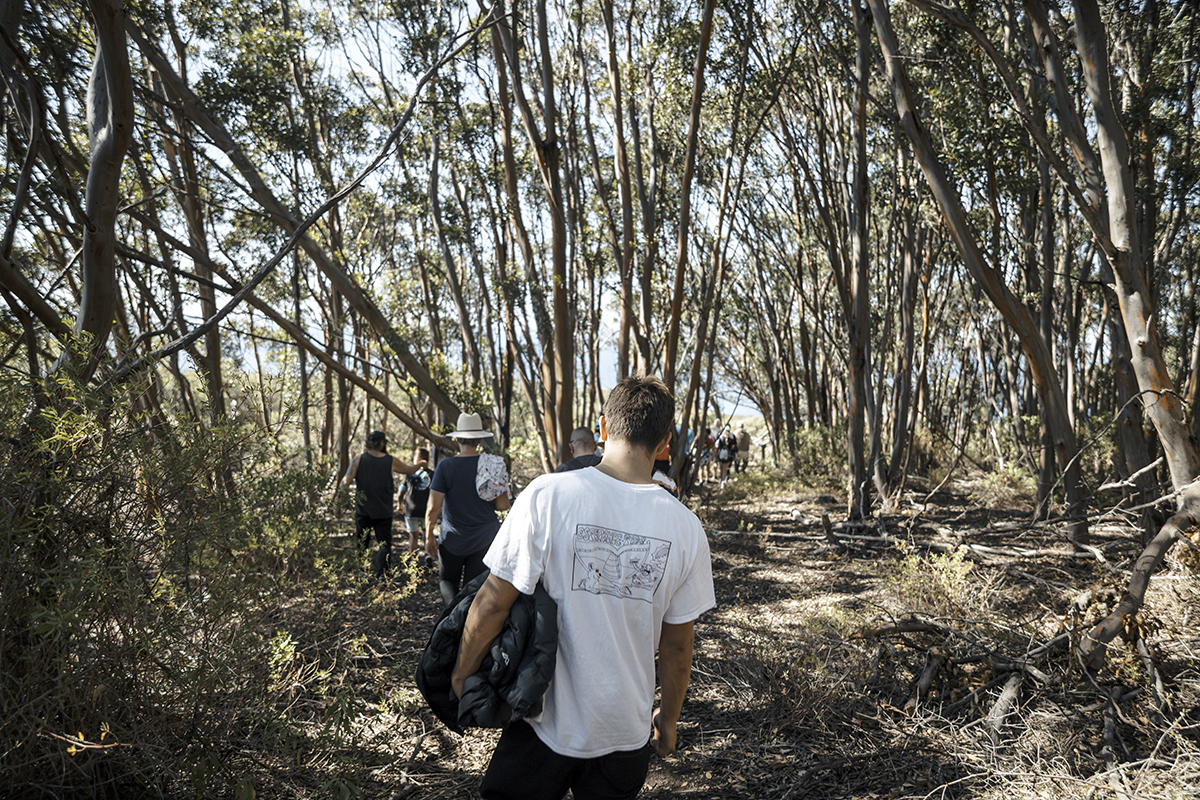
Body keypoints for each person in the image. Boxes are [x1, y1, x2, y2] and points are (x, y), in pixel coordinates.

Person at [452, 375, 716, 800]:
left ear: (603, 428)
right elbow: (678, 647)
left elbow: (491, 604)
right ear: (666, 443)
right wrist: (668, 720)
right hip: (626, 731)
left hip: (544, 722)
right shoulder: (686, 528)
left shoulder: (548, 495)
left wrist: (463, 674)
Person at [425, 412, 511, 606]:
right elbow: (503, 505)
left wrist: (428, 535)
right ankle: (469, 628)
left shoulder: (445, 466)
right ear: (480, 438)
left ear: (456, 438)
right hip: (485, 540)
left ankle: (451, 621)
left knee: (447, 582)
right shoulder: (493, 465)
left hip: (452, 540)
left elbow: (433, 507)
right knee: (475, 590)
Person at [341, 431, 426, 580]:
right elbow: (409, 470)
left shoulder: (358, 460)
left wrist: (339, 504)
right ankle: (382, 576)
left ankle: (362, 573)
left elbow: (345, 483)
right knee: (384, 545)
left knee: (363, 543)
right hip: (383, 511)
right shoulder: (390, 460)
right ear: (382, 444)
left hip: (363, 510)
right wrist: (421, 463)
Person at [401, 447, 433, 555]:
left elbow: (401, 492)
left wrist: (399, 505)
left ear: (417, 459)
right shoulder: (432, 474)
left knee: (413, 537)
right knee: (427, 534)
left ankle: (413, 563)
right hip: (426, 510)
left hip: (411, 510)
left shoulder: (409, 474)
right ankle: (428, 557)